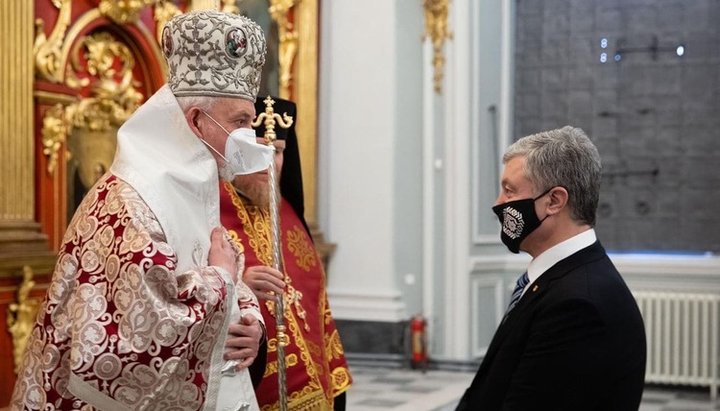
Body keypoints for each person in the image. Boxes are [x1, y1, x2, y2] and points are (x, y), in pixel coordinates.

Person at [11, 10, 275, 411]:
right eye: (239, 121)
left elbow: (219, 273)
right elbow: (128, 343)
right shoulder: (129, 202)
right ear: (196, 120)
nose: (247, 136)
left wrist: (248, 324)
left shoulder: (196, 183)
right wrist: (221, 281)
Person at [457, 126, 646, 410]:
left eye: (509, 191)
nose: (498, 204)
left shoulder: (578, 306)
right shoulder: (560, 281)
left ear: (554, 201)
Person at [219, 97, 352, 410]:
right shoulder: (209, 209)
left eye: (277, 151)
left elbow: (316, 308)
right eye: (257, 148)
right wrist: (239, 287)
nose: (268, 161)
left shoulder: (288, 213)